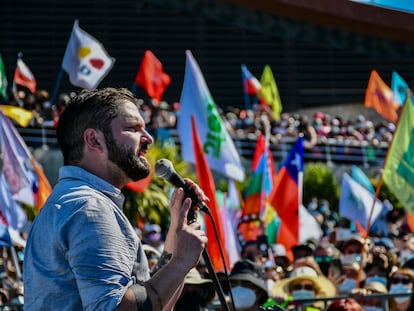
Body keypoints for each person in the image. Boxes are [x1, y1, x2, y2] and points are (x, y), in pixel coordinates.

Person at [23, 88, 208, 310]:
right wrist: (180, 263)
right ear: (94, 140)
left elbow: (152, 305)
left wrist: (175, 240)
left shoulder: (80, 202)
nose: (148, 137)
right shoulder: (89, 207)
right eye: (132, 128)